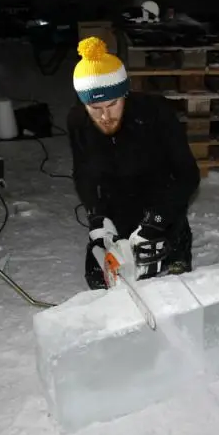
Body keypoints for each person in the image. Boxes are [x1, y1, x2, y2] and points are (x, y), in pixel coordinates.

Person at [67, 36, 201, 290]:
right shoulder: (77, 122)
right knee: (100, 278)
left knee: (171, 277)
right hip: (116, 203)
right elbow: (83, 172)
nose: (105, 116)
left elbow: (188, 174)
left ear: (124, 94)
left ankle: (178, 237)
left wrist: (157, 222)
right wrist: (96, 217)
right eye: (95, 108)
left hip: (161, 200)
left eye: (113, 104)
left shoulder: (156, 113)